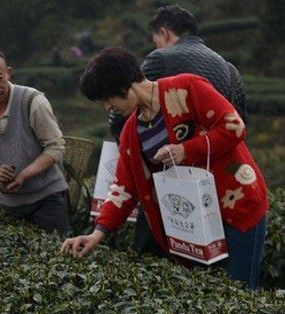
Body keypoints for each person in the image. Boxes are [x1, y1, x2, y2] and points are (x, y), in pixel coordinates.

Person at [62, 48, 269, 290]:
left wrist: (185, 150)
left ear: (123, 86)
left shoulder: (186, 88)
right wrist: (97, 233)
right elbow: (124, 187)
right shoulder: (131, 131)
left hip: (236, 207)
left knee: (240, 291)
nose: (109, 107)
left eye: (109, 99)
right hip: (195, 226)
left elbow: (234, 126)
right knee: (210, 295)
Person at [109, 4, 248, 256]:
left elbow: (125, 113)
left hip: (170, 191)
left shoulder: (159, 60)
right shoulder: (230, 70)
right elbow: (239, 123)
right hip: (220, 191)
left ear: (163, 33)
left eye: (155, 39)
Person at [0, 49, 71, 234]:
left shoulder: (33, 101)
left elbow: (55, 148)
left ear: (8, 73)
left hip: (48, 199)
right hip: (9, 204)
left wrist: (23, 175)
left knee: (55, 256)